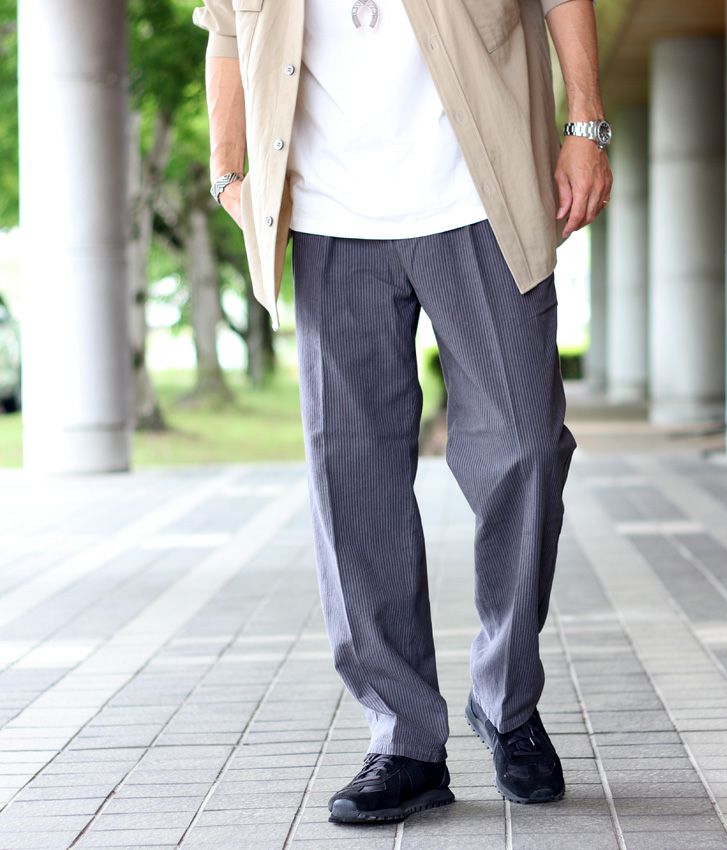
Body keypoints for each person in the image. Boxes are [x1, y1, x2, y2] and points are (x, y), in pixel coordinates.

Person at [192, 0, 612, 826]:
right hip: (326, 216)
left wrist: (586, 125)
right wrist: (226, 170)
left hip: (481, 195)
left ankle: (507, 702)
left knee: (525, 447)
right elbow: (228, 30)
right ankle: (404, 739)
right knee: (352, 476)